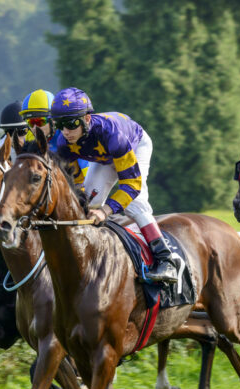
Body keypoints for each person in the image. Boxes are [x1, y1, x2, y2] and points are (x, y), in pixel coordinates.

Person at [50, 87, 182, 283]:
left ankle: (167, 260)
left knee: (134, 203)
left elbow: (132, 184)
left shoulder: (112, 134)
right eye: (60, 125)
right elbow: (76, 184)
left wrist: (105, 211)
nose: (66, 132)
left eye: (70, 124)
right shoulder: (64, 143)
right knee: (89, 203)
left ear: (87, 119)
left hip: (135, 146)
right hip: (104, 158)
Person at [19, 89, 88, 178]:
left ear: (54, 120)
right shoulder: (30, 138)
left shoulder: (70, 136)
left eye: (40, 121)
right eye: (30, 122)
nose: (35, 127)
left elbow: (90, 177)